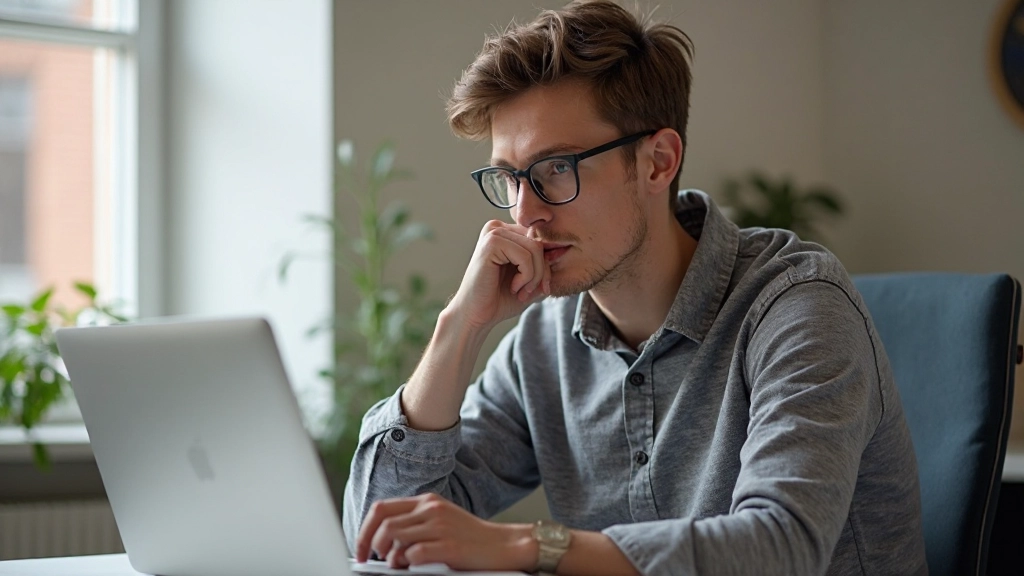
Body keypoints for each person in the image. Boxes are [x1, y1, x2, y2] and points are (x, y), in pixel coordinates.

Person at [343, 1, 927, 574]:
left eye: (556, 169)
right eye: (510, 177)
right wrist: (459, 328)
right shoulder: (546, 341)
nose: (525, 213)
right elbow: (377, 534)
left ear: (657, 162)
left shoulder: (799, 308)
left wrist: (529, 546)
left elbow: (780, 548)